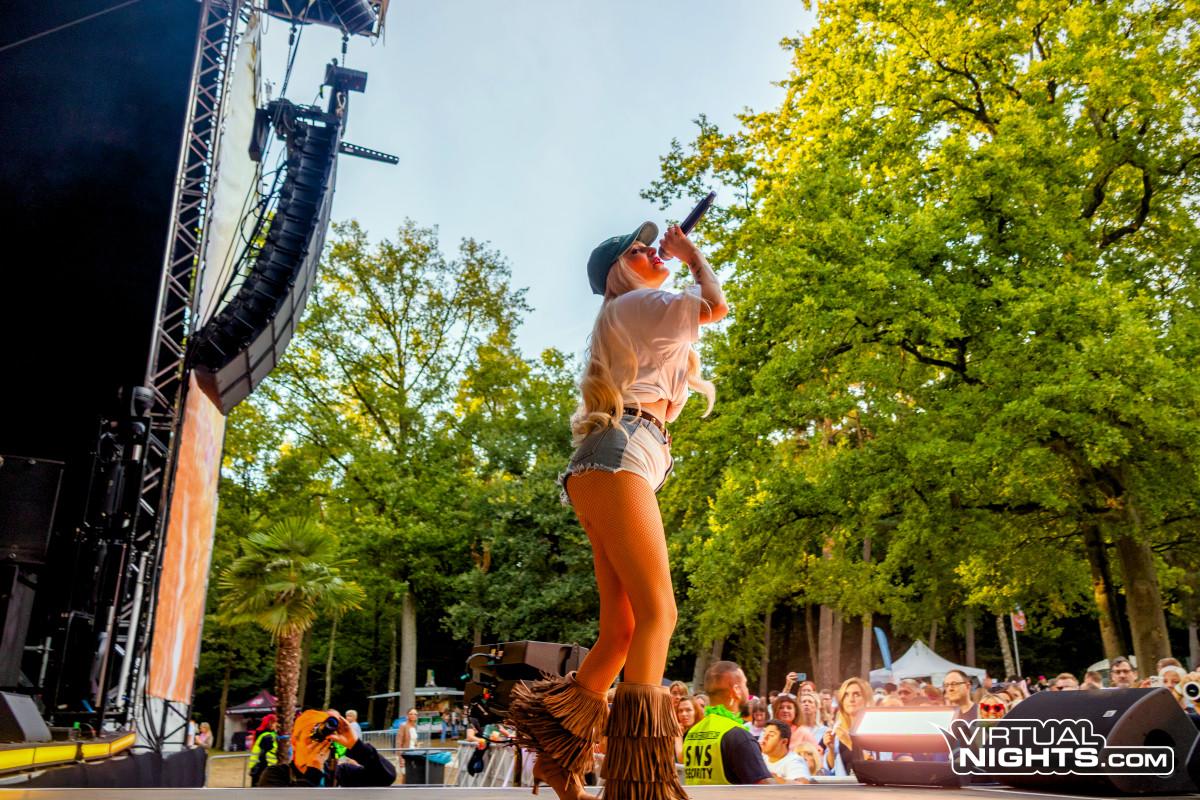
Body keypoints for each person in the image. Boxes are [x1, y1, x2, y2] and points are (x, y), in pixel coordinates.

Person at [508, 220, 727, 800]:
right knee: (659, 615)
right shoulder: (632, 305)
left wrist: (677, 262)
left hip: (613, 461)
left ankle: (557, 756)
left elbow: (691, 330)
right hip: (620, 456)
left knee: (622, 631)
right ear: (616, 274)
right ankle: (638, 779)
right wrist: (690, 254)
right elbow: (715, 306)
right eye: (638, 249)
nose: (652, 251)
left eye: (653, 247)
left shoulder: (637, 315)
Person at [681, 661, 772, 786]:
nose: (747, 689)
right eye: (745, 684)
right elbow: (766, 788)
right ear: (736, 690)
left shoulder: (692, 732)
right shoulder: (739, 736)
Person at [257, 709, 396, 787]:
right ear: (294, 742)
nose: (317, 744)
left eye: (323, 738)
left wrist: (355, 745)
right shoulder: (275, 775)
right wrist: (313, 772)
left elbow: (386, 777)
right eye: (310, 739)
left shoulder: (339, 774)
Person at [822, 678, 872, 777]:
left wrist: (850, 743)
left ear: (866, 699)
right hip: (844, 785)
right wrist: (831, 749)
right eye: (846, 695)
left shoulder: (875, 731)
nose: (851, 699)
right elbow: (830, 770)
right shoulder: (838, 729)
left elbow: (876, 765)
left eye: (856, 694)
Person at [249, 714, 280, 785]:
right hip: (263, 766)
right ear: (271, 723)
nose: (277, 725)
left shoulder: (262, 733)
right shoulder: (268, 736)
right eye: (276, 723)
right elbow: (271, 750)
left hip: (256, 766)